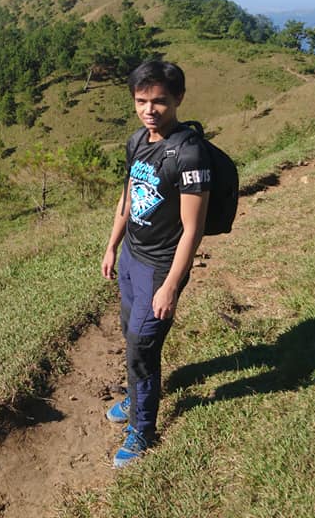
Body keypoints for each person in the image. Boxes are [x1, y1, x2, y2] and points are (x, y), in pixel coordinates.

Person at [100, 60, 211, 469]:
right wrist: (112, 245)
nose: (150, 110)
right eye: (142, 101)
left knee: (142, 346)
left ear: (178, 99)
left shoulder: (189, 152)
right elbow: (128, 198)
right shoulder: (137, 141)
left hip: (160, 265)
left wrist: (170, 285)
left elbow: (192, 229)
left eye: (160, 101)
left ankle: (143, 428)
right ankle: (137, 391)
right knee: (132, 334)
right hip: (131, 256)